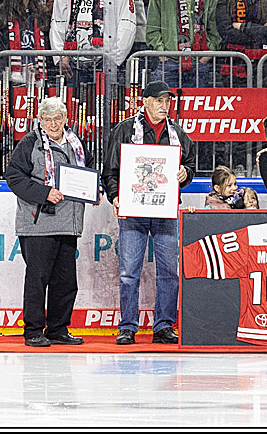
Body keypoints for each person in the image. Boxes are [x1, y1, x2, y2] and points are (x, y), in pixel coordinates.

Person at [102, 80, 196, 345]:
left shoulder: (178, 133)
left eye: (167, 101)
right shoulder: (125, 130)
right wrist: (115, 196)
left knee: (169, 271)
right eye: (158, 100)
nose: (164, 106)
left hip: (165, 210)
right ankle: (127, 326)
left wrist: (186, 173)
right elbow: (110, 169)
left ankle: (164, 325)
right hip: (134, 210)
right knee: (128, 272)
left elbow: (190, 164)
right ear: (144, 102)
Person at [5, 96, 95, 347]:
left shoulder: (76, 143)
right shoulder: (30, 143)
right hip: (38, 224)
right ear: (40, 120)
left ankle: (58, 328)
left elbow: (88, 171)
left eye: (58, 118)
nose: (53, 124)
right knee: (38, 280)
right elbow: (14, 177)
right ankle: (33, 330)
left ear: (65, 118)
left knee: (66, 281)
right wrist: (44, 193)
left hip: (69, 223)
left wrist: (94, 190)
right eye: (47, 119)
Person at [215, 0, 267, 82]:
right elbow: (226, 31)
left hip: (263, 63)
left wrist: (242, 27)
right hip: (233, 63)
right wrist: (259, 31)